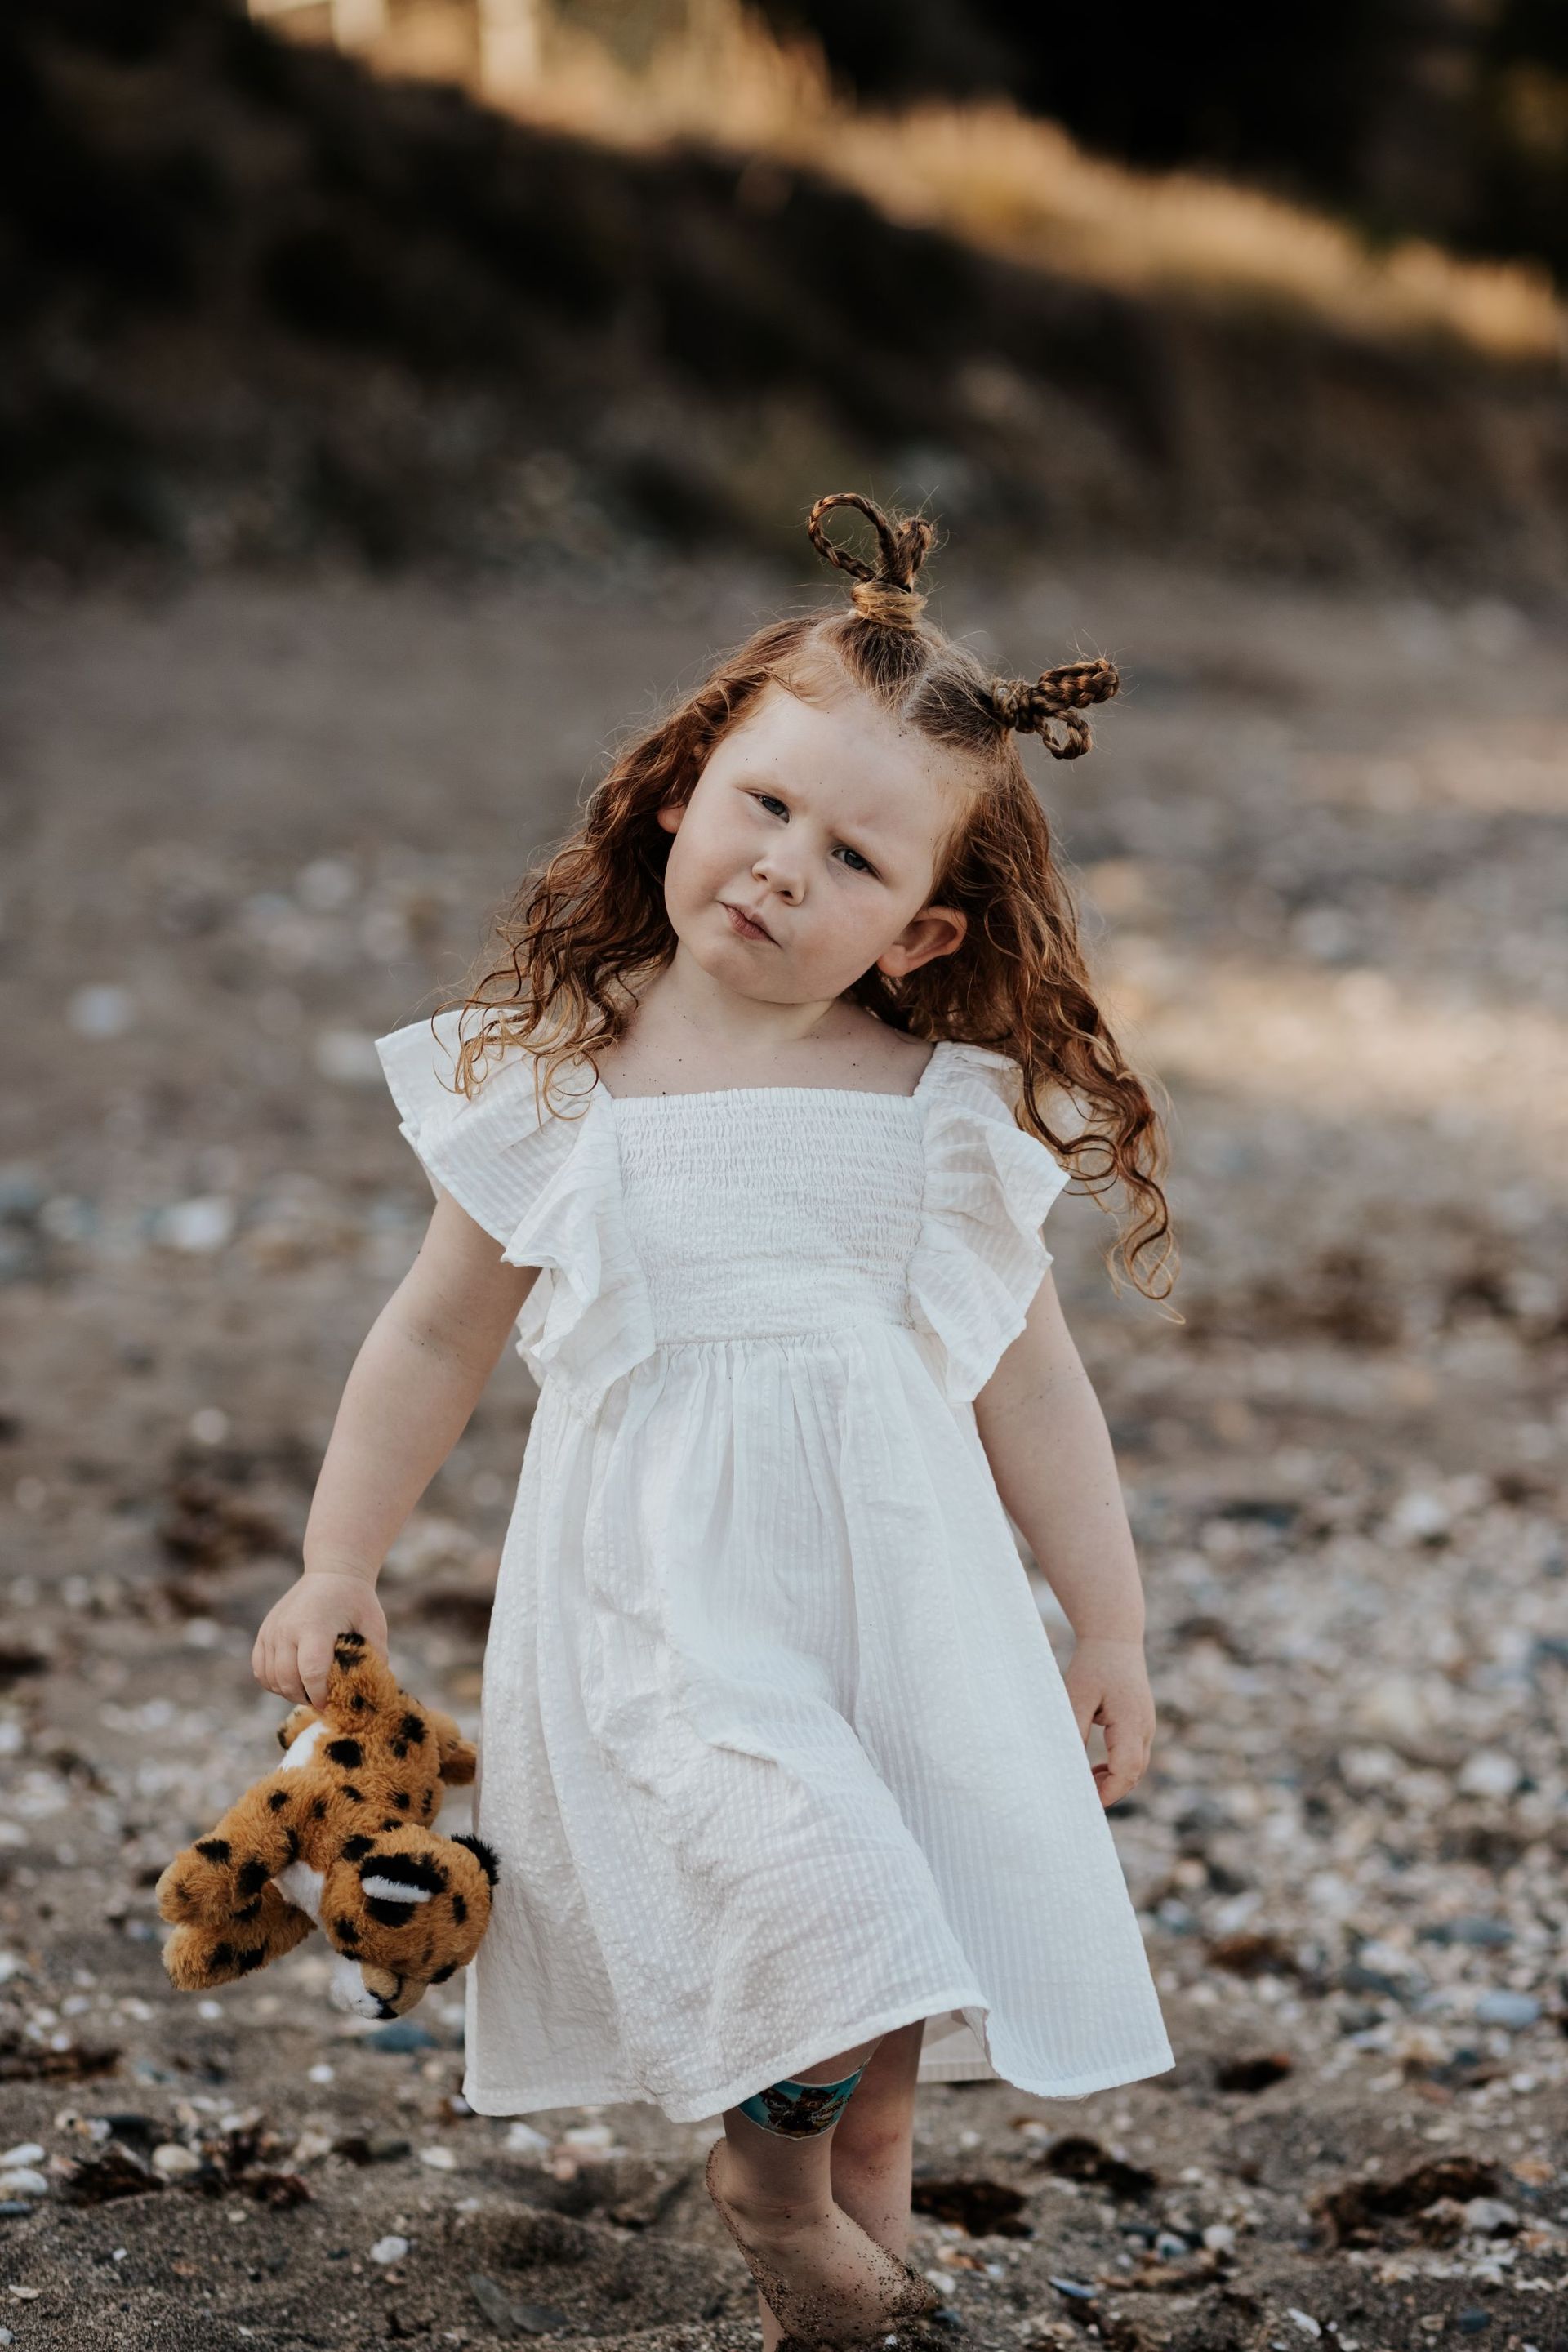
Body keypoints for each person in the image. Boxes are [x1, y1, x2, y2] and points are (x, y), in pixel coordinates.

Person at [252, 492, 1176, 2349]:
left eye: (849, 857)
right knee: (812, 1891)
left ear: (921, 932)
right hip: (665, 1611)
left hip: (899, 1611)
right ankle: (766, 2194)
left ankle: (845, 2299)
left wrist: (1111, 1621)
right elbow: (434, 1333)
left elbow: (1030, 1382)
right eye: (765, 805)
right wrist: (339, 1555)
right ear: (684, 788)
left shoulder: (939, 1115)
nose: (780, 866)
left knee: (888, 2007)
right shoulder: (558, 1087)